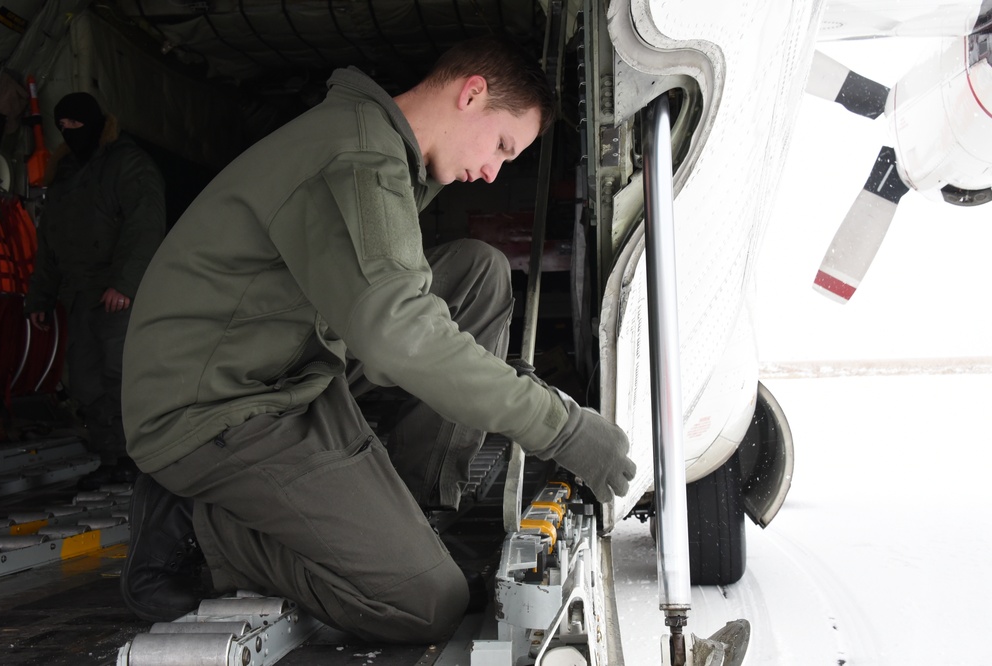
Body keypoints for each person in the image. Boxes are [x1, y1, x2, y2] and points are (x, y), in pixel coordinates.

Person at [119, 36, 636, 643]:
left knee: (477, 271)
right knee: (427, 603)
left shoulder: (377, 142)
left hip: (284, 361)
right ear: (471, 93)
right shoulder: (359, 157)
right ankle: (195, 527)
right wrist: (565, 428)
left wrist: (519, 386)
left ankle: (415, 511)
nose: (494, 172)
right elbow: (400, 338)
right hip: (213, 406)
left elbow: (405, 315)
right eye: (501, 145)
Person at [24, 92, 165, 481]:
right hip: (80, 294)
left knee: (124, 375)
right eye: (62, 126)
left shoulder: (127, 164)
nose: (68, 132)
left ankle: (144, 459)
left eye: (75, 125)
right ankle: (112, 455)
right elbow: (51, 242)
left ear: (96, 123)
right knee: (85, 380)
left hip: (119, 294)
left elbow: (145, 225)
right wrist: (41, 297)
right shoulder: (65, 174)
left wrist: (124, 283)